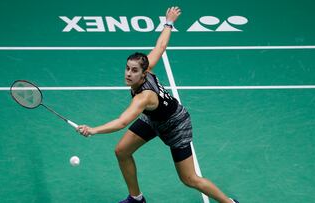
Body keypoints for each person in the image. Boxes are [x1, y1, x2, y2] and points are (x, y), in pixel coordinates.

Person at [77, 6, 239, 203]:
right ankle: (136, 198)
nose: (129, 73)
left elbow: (121, 122)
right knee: (122, 151)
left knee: (189, 179)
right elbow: (160, 46)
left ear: (143, 73)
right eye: (127, 68)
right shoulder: (148, 66)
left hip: (176, 125)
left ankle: (229, 202)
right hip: (154, 118)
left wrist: (93, 130)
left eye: (134, 70)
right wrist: (169, 23)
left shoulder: (143, 97)